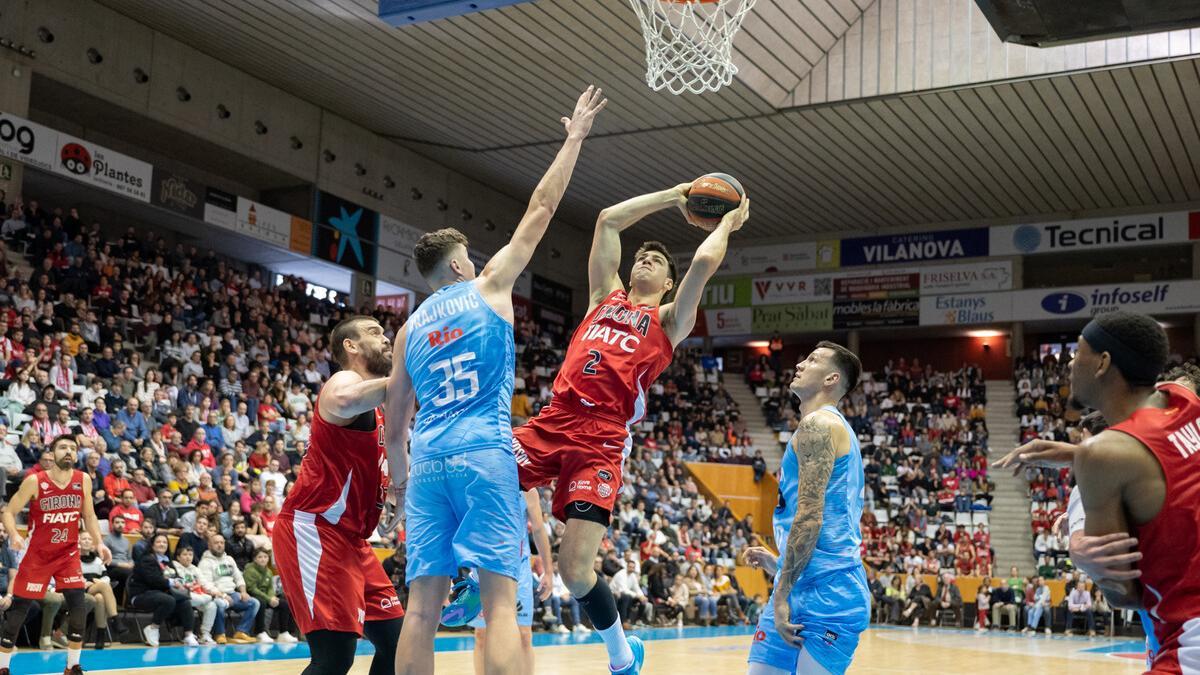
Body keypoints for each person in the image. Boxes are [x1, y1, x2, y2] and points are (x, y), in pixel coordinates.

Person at [388, 86, 606, 675]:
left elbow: (393, 424)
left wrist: (398, 487)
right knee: (501, 606)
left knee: (420, 613)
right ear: (459, 265)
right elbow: (540, 209)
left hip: (427, 460)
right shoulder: (487, 285)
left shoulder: (408, 329)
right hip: (484, 453)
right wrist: (574, 139)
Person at [512, 181, 750, 675]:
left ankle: (623, 655)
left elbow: (703, 265)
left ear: (667, 282)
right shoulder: (604, 296)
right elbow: (608, 220)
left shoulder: (668, 320)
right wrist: (676, 195)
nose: (643, 261)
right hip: (556, 417)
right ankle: (475, 574)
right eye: (641, 257)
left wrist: (727, 222)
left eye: (656, 261)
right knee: (483, 473)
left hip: (601, 436)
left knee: (577, 574)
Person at [999, 322, 1200, 671]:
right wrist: (1072, 452)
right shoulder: (1181, 396)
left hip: (1189, 636)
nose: (1069, 363)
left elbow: (1124, 595)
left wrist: (1089, 564)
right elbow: (1157, 451)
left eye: (1078, 352)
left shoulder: (1101, 455)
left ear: (1103, 362)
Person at [271, 314, 404, 675]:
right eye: (374, 332)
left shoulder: (376, 405)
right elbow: (343, 400)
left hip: (353, 541)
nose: (386, 338)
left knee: (398, 642)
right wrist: (409, 376)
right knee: (334, 657)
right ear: (351, 345)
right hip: (316, 529)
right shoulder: (346, 380)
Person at [745, 342, 867, 675]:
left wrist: (781, 593)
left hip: (831, 595)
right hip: (801, 583)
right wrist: (782, 565)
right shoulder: (817, 426)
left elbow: (811, 516)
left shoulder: (820, 426)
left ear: (831, 378)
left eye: (812, 360)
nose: (800, 363)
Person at [0, 434, 111, 674]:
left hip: (68, 554)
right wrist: (14, 534)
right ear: (52, 453)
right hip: (37, 555)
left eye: (73, 447)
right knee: (19, 611)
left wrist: (100, 543)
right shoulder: (35, 481)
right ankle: (3, 667)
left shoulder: (83, 480)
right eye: (63, 447)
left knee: (79, 606)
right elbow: (8, 512)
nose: (69, 451)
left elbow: (89, 516)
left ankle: (72, 666)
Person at [470, 491, 554, 675]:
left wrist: (548, 570)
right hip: (483, 566)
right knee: (481, 635)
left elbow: (539, 529)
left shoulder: (527, 488)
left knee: (524, 634)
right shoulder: (478, 477)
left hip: (519, 569)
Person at [128, 532, 197, 647]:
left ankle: (188, 635)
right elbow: (153, 580)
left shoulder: (167, 561)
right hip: (141, 595)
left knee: (185, 602)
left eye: (164, 542)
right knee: (168, 600)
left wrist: (180, 583)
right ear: (152, 545)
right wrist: (172, 582)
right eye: (158, 542)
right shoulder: (146, 559)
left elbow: (176, 577)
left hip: (160, 594)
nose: (162, 544)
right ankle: (153, 628)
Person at [198, 533, 263, 644]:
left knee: (254, 603)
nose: (219, 545)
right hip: (216, 595)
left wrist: (243, 591)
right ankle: (220, 633)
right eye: (216, 543)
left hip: (232, 594)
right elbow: (206, 585)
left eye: (222, 543)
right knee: (220, 604)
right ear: (209, 545)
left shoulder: (229, 559)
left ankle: (241, 631)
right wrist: (222, 595)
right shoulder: (205, 562)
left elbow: (238, 577)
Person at [244, 547, 298, 643]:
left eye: (265, 557)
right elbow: (252, 588)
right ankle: (260, 632)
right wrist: (269, 599)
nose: (263, 559)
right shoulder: (250, 570)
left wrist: (272, 596)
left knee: (284, 604)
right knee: (261, 602)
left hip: (266, 597)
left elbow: (270, 587)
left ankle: (283, 633)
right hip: (252, 596)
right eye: (260, 557)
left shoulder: (268, 571)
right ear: (255, 559)